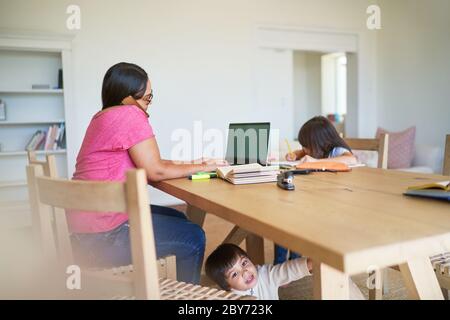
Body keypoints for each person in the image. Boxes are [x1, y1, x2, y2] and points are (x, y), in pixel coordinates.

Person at [68, 62, 226, 284]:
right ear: (127, 97)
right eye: (146, 98)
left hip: (83, 230)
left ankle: (165, 281)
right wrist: (203, 167)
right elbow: (155, 171)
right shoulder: (130, 114)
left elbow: (151, 162)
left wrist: (192, 163)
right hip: (103, 237)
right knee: (193, 236)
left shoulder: (101, 117)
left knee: (180, 218)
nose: (148, 104)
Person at [275, 116, 358, 264]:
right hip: (315, 197)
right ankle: (284, 263)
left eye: (306, 146)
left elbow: (352, 160)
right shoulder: (315, 150)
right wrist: (296, 154)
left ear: (321, 143)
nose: (304, 150)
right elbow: (303, 153)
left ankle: (293, 262)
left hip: (334, 204)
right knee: (285, 213)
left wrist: (317, 162)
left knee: (292, 216)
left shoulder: (336, 151)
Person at [205, 243, 364, 300]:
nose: (245, 271)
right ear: (226, 286)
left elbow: (286, 271)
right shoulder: (223, 296)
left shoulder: (265, 275)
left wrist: (309, 264)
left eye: (244, 262)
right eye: (234, 274)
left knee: (333, 272)